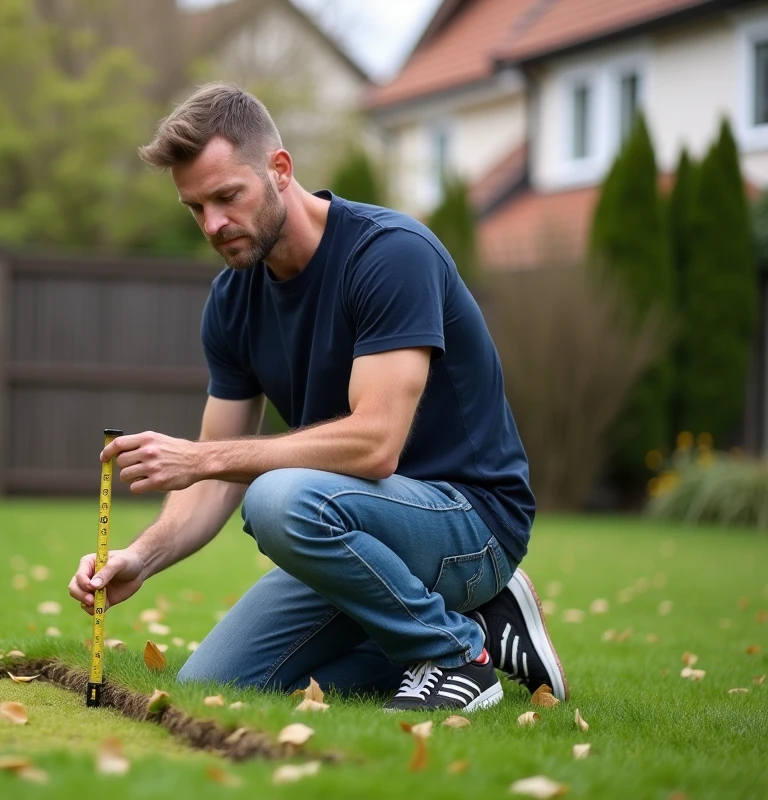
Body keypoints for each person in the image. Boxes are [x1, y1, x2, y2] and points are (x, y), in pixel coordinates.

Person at [67, 83, 567, 711]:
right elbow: (214, 480)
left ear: (280, 170)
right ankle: (490, 626)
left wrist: (204, 458)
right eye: (195, 208)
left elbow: (377, 443)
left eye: (227, 196)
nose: (214, 224)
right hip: (354, 529)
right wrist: (140, 556)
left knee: (278, 498)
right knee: (215, 684)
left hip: (469, 520)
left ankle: (457, 655)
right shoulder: (232, 302)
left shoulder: (389, 256)